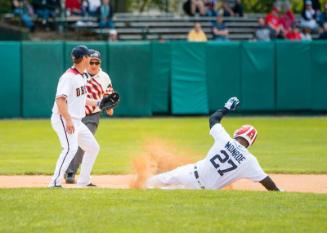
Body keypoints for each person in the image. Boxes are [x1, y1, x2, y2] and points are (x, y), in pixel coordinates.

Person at [145, 97, 282, 191]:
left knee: (159, 181)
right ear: (250, 143)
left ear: (238, 133)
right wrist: (278, 192)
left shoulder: (225, 139)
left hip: (190, 173)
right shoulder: (250, 161)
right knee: (166, 190)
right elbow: (266, 181)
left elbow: (213, 119)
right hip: (202, 191)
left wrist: (226, 107)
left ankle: (137, 186)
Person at [49, 45, 101, 188]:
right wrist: (69, 121)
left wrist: (99, 102)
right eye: (88, 56)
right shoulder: (68, 77)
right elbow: (60, 100)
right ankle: (54, 183)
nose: (90, 58)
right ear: (84, 58)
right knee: (70, 148)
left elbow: (82, 99)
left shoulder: (82, 76)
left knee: (93, 147)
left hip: (77, 120)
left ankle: (84, 181)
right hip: (63, 118)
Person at [64, 49, 115, 184]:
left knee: (85, 144)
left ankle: (72, 173)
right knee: (74, 144)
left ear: (100, 63)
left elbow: (108, 97)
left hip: (93, 115)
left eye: (96, 62)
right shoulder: (79, 75)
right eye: (91, 62)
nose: (93, 65)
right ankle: (70, 171)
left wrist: (109, 108)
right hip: (76, 115)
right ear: (86, 61)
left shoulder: (104, 77)